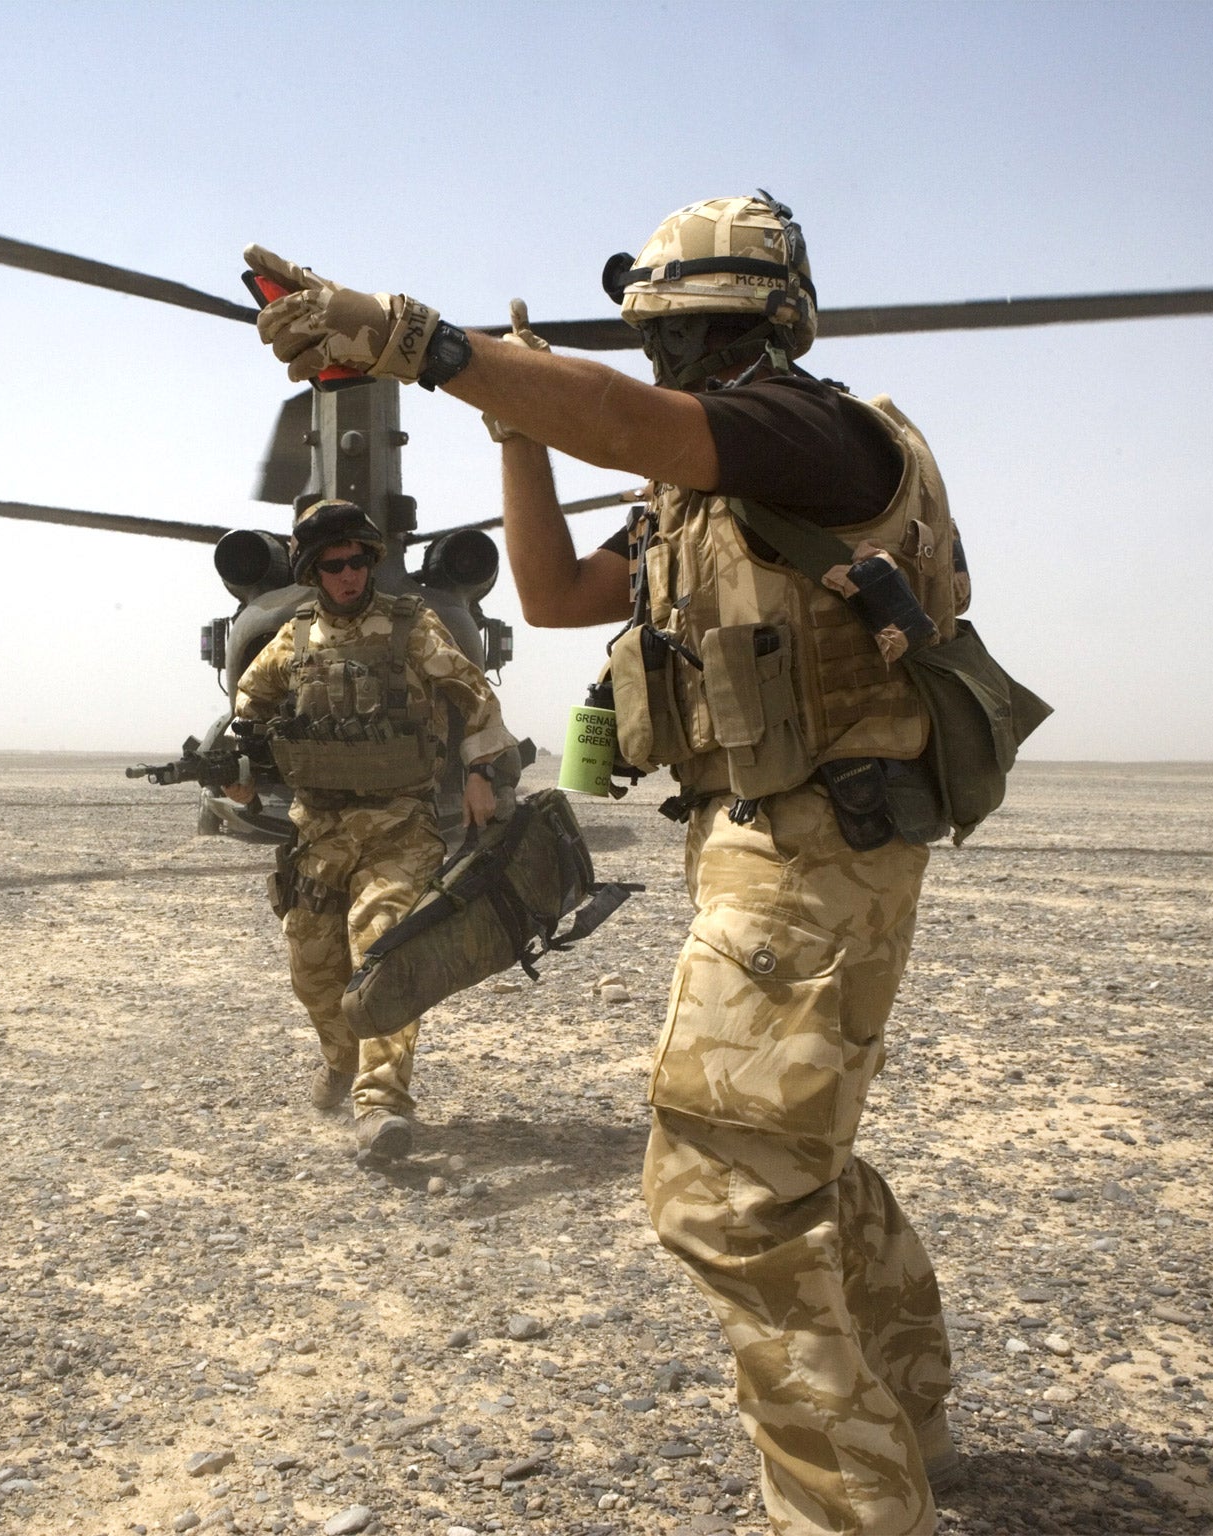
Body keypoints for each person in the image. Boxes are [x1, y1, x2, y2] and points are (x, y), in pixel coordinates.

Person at [244, 195, 966, 1535]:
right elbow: (552, 592)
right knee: (793, 1157)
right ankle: (912, 1404)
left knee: (726, 1192)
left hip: (817, 845)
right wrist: (515, 433)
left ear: (764, 328)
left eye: (690, 335)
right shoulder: (715, 490)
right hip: (766, 842)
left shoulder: (813, 436)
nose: (669, 362)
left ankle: (853, 1509)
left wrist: (416, 342)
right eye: (660, 339)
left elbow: (641, 429)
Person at [223, 499, 520, 1162]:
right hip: (320, 832)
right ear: (311, 570)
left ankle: (381, 1104)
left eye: (359, 561)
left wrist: (480, 773)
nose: (350, 574)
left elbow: (476, 698)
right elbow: (245, 712)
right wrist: (238, 773)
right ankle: (340, 1056)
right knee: (312, 970)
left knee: (383, 950)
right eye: (334, 565)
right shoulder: (293, 642)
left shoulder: (412, 629)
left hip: (399, 823)